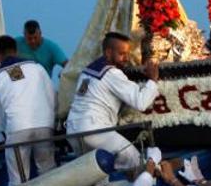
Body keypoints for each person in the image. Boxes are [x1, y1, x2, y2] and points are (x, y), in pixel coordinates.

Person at [65, 32, 159, 170]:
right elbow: (141, 102)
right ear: (108, 53)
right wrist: (153, 80)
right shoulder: (112, 73)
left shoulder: (87, 70)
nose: (126, 58)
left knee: (96, 172)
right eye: (122, 54)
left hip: (73, 131)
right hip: (94, 130)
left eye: (127, 54)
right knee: (134, 159)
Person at [0, 35, 57, 183]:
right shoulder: (37, 67)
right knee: (47, 170)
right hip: (44, 124)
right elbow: (51, 94)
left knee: (18, 178)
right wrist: (50, 119)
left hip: (17, 127)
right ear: (16, 50)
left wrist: (4, 130)